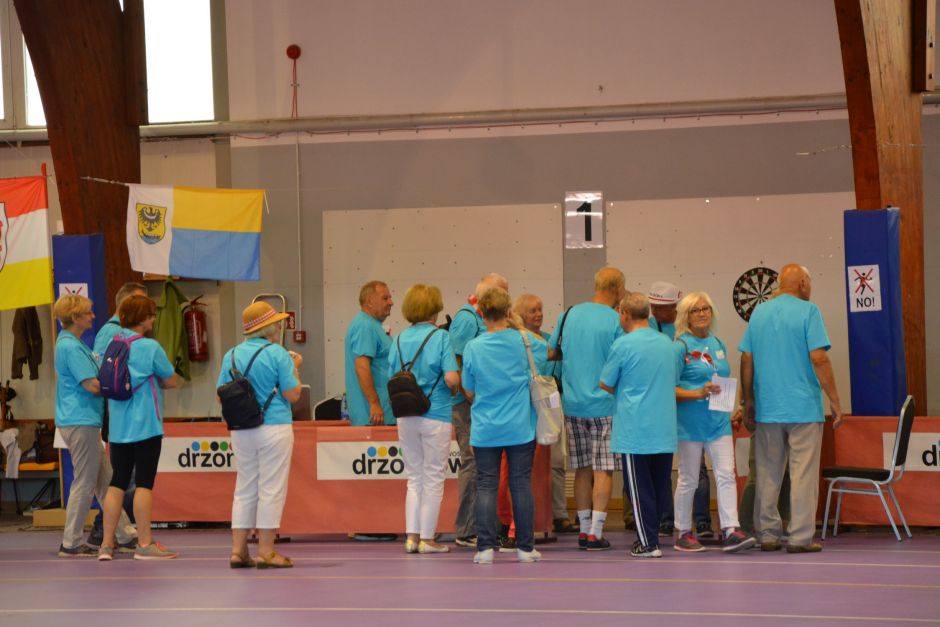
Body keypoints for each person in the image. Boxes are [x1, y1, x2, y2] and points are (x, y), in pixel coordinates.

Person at [739, 264, 843, 554]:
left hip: (768, 407)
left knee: (767, 473)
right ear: (803, 284)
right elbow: (819, 358)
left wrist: (748, 401)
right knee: (802, 474)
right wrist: (835, 401)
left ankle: (768, 534)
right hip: (803, 408)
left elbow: (746, 359)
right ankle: (799, 537)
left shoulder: (759, 313)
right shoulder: (809, 311)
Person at [462, 287, 546, 564]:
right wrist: (518, 326)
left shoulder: (473, 347)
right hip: (520, 426)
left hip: (485, 427)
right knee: (520, 484)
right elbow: (545, 353)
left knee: (486, 484)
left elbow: (468, 388)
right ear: (509, 311)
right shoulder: (525, 341)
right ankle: (525, 547)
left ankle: (485, 548)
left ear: (482, 314)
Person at [219, 301, 303, 568]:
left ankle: (238, 550)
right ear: (269, 327)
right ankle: (266, 551)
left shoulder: (231, 355)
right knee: (271, 488)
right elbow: (293, 394)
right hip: (274, 426)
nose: (279, 327)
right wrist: (295, 366)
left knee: (244, 488)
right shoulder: (278, 354)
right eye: (276, 323)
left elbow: (220, 395)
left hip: (241, 429)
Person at [52, 295, 137, 557]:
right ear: (75, 317)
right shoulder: (71, 347)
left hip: (83, 419)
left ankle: (124, 533)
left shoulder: (73, 344)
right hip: (80, 420)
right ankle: (71, 542)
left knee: (105, 481)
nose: (93, 316)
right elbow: (91, 385)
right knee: (85, 481)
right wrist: (122, 387)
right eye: (88, 312)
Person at [97, 295, 179, 561]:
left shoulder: (112, 343)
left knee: (117, 482)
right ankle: (144, 544)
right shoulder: (149, 346)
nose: (153, 319)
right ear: (143, 319)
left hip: (118, 428)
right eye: (151, 315)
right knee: (144, 483)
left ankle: (106, 545)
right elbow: (171, 380)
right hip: (146, 426)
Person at [671, 292, 754, 553]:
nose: (702, 313)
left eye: (706, 308)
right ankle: (684, 532)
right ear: (686, 316)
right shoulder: (680, 347)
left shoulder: (718, 343)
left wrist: (732, 407)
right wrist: (698, 392)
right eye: (696, 310)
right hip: (690, 424)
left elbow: (723, 379)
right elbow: (668, 388)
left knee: (726, 474)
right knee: (689, 479)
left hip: (718, 421)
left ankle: (730, 529)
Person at [549, 267, 625, 550]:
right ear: (617, 289)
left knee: (581, 468)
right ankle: (596, 531)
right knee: (604, 469)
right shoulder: (617, 319)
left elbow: (551, 351)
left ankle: (582, 529)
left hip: (573, 403)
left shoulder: (568, 314)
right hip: (605, 404)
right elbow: (623, 359)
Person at [599, 292, 678, 558]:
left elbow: (606, 383)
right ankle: (652, 536)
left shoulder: (622, 345)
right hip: (664, 426)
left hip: (635, 428)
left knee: (639, 488)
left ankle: (647, 543)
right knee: (659, 486)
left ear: (624, 314)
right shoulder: (667, 343)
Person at [388, 285, 460, 554]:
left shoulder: (398, 339)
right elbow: (451, 378)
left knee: (413, 478)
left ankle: (411, 537)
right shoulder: (441, 337)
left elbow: (390, 376)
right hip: (435, 413)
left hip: (405, 415)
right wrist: (455, 387)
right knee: (433, 477)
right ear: (435, 307)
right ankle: (428, 539)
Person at [647, 281, 712, 539]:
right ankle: (665, 519)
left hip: (688, 407)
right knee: (660, 465)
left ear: (676, 308)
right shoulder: (647, 327)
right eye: (652, 306)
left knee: (697, 467)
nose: (654, 312)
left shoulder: (690, 329)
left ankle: (702, 521)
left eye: (660, 308)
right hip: (659, 406)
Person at [450, 272, 509, 548]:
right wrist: (471, 397)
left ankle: (485, 526)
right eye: (503, 292)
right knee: (472, 464)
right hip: (468, 404)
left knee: (486, 467)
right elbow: (457, 360)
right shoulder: (466, 318)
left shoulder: (482, 319)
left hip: (482, 403)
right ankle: (467, 529)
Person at [87, 281, 147, 547]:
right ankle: (104, 528)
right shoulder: (111, 333)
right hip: (117, 412)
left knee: (126, 474)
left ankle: (111, 529)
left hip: (124, 410)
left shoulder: (124, 332)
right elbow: (105, 374)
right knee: (124, 475)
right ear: (126, 304)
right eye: (140, 303)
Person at [515, 293, 572, 533]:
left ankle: (559, 514)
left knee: (557, 460)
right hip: (526, 406)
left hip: (551, 403)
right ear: (520, 315)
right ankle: (531, 516)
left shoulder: (549, 341)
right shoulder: (517, 342)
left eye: (540, 309)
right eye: (532, 311)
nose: (538, 314)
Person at [345, 280, 395, 426]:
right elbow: (362, 366)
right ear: (369, 302)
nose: (391, 302)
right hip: (374, 417)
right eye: (385, 298)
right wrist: (374, 403)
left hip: (382, 415)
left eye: (390, 298)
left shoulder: (373, 325)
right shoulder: (365, 326)